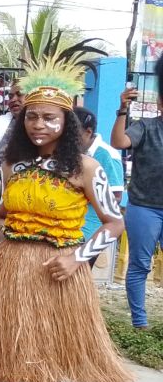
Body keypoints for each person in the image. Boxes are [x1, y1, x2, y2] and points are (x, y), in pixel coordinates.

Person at [0, 44, 133, 382]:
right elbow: (1, 217)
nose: (38, 125)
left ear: (67, 122)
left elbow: (114, 224)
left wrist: (77, 257)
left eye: (49, 117)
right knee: (3, 358)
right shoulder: (12, 164)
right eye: (31, 116)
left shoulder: (85, 166)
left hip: (54, 274)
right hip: (9, 271)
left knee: (43, 363)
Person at [112, 76, 162, 329]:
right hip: (145, 207)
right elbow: (119, 143)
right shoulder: (146, 127)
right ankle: (139, 323)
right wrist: (122, 110)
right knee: (140, 264)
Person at [75, 107, 124, 267]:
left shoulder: (106, 154)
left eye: (73, 134)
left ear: (88, 132)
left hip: (90, 227)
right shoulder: (73, 153)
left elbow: (116, 196)